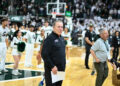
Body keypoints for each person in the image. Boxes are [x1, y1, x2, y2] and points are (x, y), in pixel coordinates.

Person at [41, 20, 66, 86]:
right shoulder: (49, 39)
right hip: (52, 70)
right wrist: (52, 66)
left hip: (61, 69)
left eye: (61, 27)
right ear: (53, 27)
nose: (60, 29)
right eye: (58, 27)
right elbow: (44, 54)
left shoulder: (62, 38)